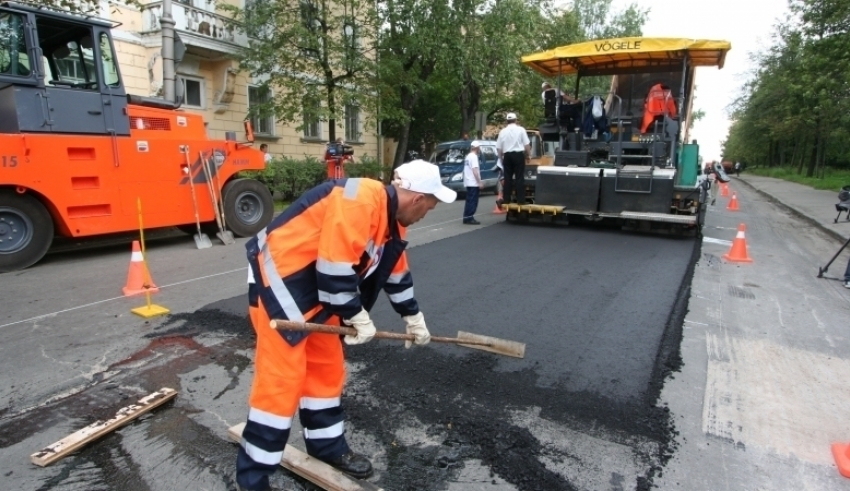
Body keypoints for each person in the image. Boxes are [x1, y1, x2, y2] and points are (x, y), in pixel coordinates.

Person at [236, 160, 456, 491]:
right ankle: (252, 478)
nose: (428, 212)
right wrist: (357, 316)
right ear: (416, 198)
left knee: (327, 371)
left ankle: (327, 448)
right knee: (281, 383)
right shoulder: (362, 198)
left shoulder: (392, 221)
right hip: (279, 287)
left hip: (317, 295)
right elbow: (334, 267)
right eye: (430, 205)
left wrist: (413, 317)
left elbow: (396, 273)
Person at [496, 112, 530, 206]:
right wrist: (528, 155)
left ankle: (507, 199)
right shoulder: (521, 130)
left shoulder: (502, 131)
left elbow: (499, 148)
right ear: (516, 120)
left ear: (507, 121)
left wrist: (501, 158)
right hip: (518, 155)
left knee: (508, 178)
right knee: (519, 177)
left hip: (507, 155)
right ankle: (520, 200)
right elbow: (526, 144)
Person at [462, 141, 484, 225]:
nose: (479, 149)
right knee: (473, 201)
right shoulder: (474, 157)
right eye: (479, 147)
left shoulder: (468, 156)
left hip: (468, 181)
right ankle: (470, 217)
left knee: (468, 200)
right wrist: (479, 182)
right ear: (476, 148)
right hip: (473, 182)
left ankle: (466, 217)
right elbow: (475, 170)